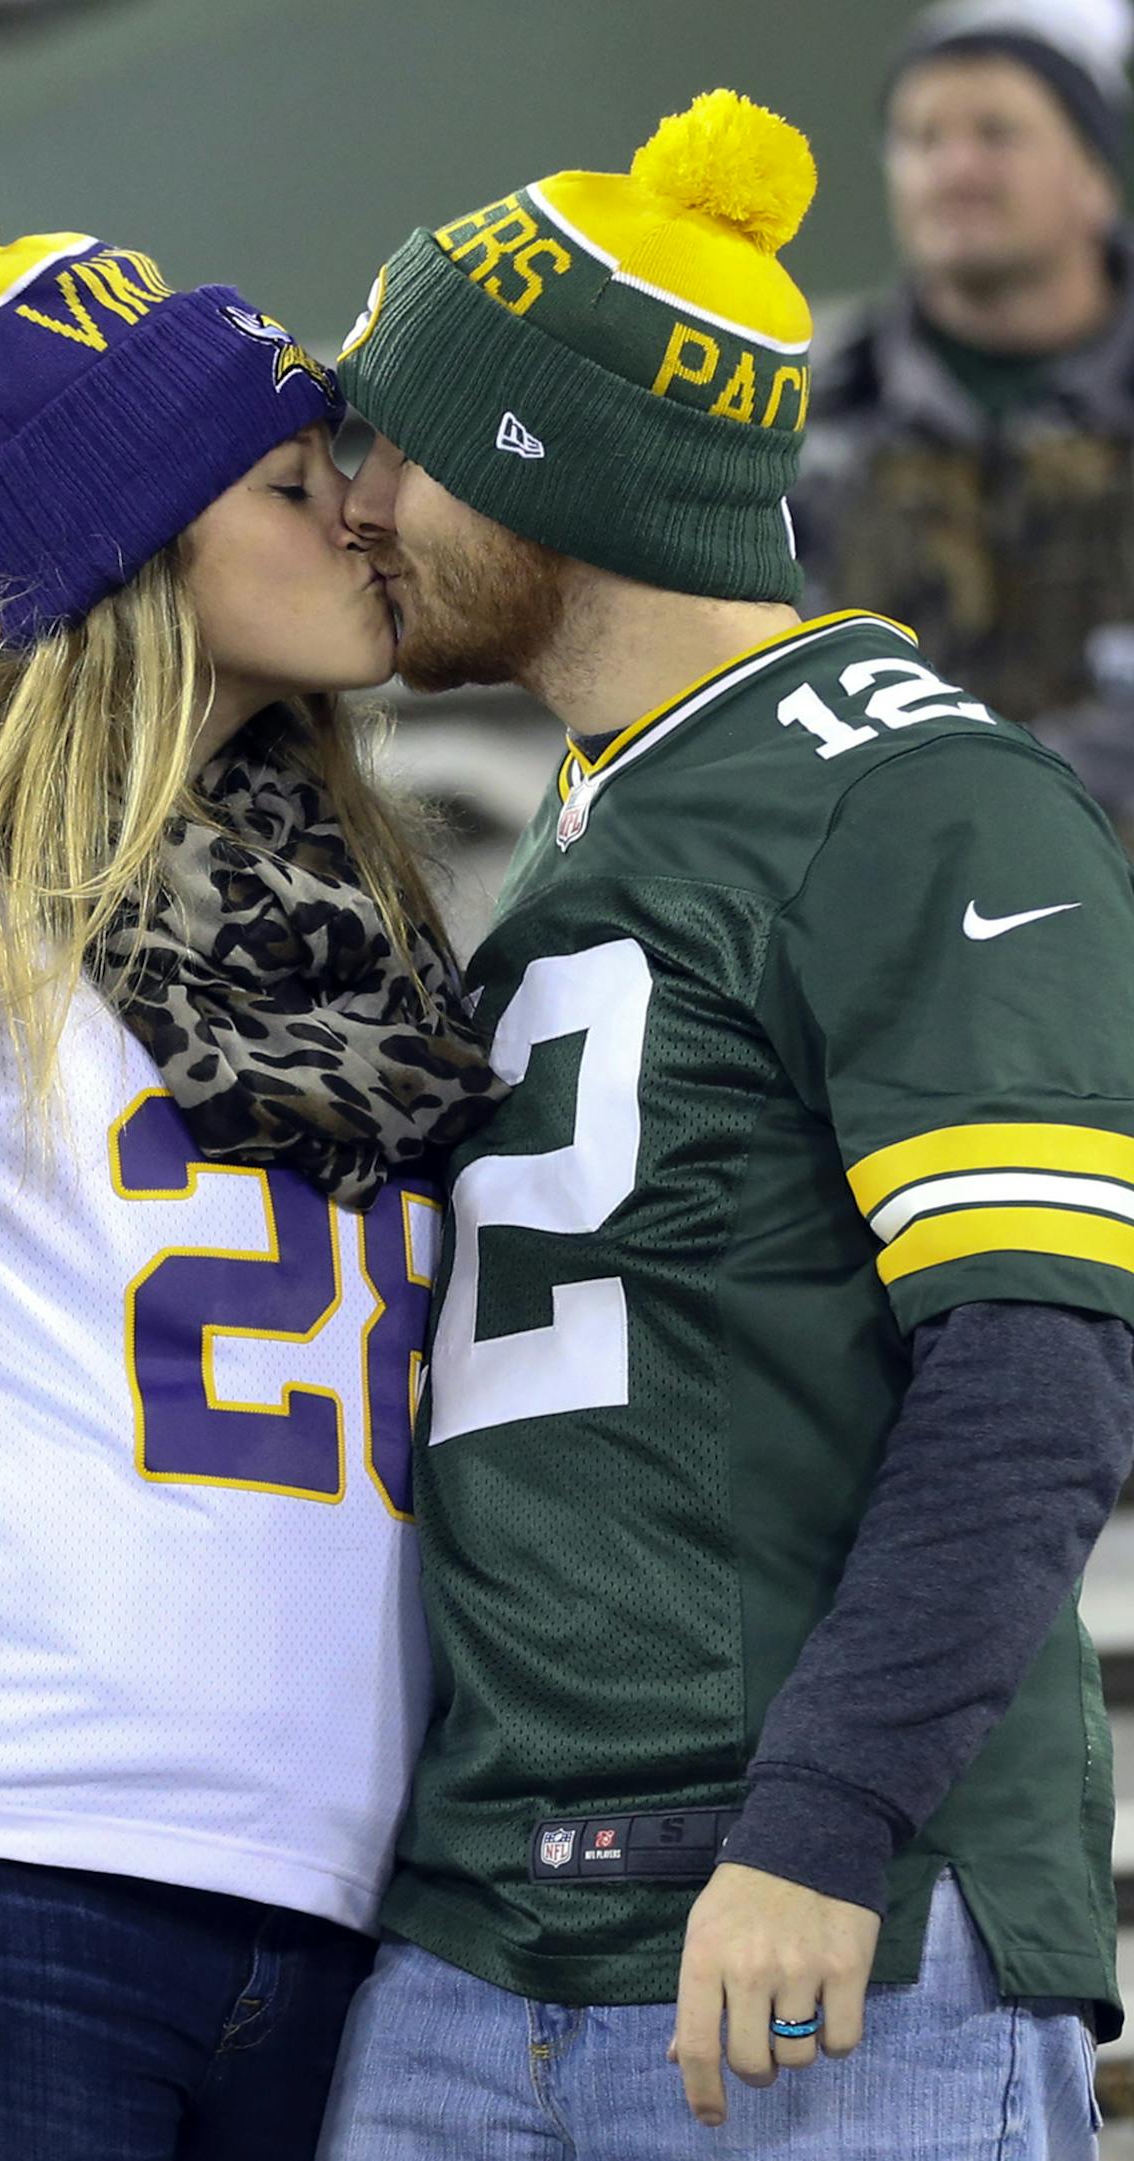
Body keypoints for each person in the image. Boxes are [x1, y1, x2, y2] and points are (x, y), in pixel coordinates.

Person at [315, 89, 1134, 2159]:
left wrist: (825, 1825)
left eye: (396, 445)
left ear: (546, 473)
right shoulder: (623, 804)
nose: (352, 498)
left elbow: (1035, 1369)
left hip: (807, 1946)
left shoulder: (922, 795)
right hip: (479, 1948)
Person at [0, 166, 499, 2161]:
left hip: (319, 1907)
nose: (351, 503)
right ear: (127, 537)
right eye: (280, 472)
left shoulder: (372, 925)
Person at [794, 0, 1134, 847]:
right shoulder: (802, 412)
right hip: (888, 888)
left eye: (996, 133)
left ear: (1095, 177)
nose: (954, 169)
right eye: (921, 140)